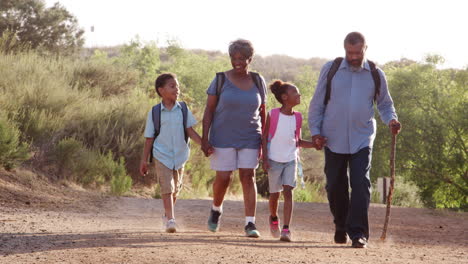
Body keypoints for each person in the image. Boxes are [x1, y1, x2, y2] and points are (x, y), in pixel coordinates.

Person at [308, 32, 401, 248]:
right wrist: (315, 132)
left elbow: (385, 104)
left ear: (365, 49)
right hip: (333, 138)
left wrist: (392, 121)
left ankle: (358, 233)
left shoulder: (376, 74)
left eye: (357, 53)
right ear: (344, 50)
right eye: (349, 53)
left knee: (360, 183)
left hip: (362, 137)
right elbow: (317, 103)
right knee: (334, 186)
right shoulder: (331, 70)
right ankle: (341, 225)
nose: (353, 57)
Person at [201, 39, 267, 238]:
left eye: (242, 59)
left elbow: (264, 112)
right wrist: (205, 139)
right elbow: (209, 110)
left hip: (250, 136)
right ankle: (216, 209)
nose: (237, 62)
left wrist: (265, 141)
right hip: (222, 137)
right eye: (234, 58)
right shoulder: (220, 79)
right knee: (224, 178)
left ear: (250, 59)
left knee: (248, 177)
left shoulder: (257, 80)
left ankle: (250, 223)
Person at [139, 73, 202, 233]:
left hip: (180, 156)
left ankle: (167, 215)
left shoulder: (183, 109)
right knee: (168, 187)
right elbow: (149, 138)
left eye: (178, 86)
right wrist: (144, 160)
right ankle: (171, 220)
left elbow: (190, 131)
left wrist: (204, 145)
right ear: (161, 90)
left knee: (175, 190)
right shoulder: (154, 112)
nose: (177, 89)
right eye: (172, 86)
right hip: (162, 155)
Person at [262, 80, 316, 242]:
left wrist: (314, 145)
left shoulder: (298, 117)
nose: (299, 95)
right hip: (273, 160)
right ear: (285, 97)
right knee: (274, 195)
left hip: (291, 159)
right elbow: (265, 137)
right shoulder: (273, 114)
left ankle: (286, 229)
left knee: (288, 191)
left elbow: (297, 140)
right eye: (295, 92)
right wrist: (264, 158)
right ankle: (273, 217)